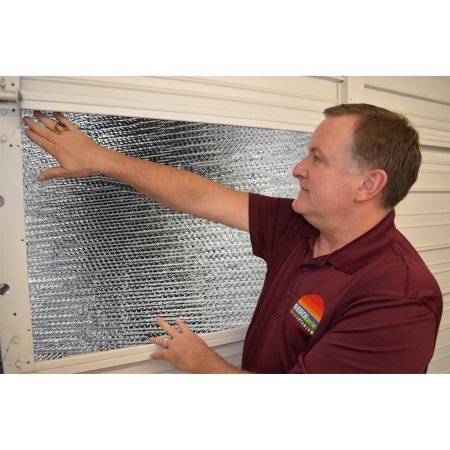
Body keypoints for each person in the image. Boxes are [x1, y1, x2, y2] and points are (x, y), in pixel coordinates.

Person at [23, 103, 443, 373]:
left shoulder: (399, 300)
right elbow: (202, 196)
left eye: (317, 158)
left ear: (368, 184)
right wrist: (101, 159)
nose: (298, 168)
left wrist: (205, 364)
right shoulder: (300, 225)